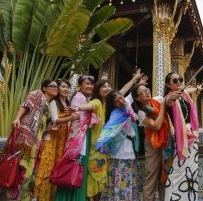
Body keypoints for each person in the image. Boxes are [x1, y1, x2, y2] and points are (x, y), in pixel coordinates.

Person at [0, 79, 59, 201]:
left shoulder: (47, 104)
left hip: (35, 144)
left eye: (57, 87)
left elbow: (40, 127)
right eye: (52, 86)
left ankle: (20, 197)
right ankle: (7, 197)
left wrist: (50, 130)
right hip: (25, 138)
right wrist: (17, 118)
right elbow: (26, 105)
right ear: (44, 88)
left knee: (28, 173)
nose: (56, 88)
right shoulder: (38, 94)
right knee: (17, 168)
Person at [77, 70, 142, 201]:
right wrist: (78, 107)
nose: (107, 88)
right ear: (98, 90)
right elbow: (90, 106)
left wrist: (134, 80)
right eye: (103, 86)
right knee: (94, 178)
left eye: (108, 86)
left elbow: (123, 91)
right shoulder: (98, 102)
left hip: (109, 149)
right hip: (97, 147)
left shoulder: (114, 103)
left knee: (102, 180)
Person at [33, 78, 80, 201]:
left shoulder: (68, 104)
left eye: (68, 87)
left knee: (56, 170)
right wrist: (70, 117)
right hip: (51, 139)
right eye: (63, 86)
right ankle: (40, 197)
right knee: (46, 168)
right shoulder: (54, 102)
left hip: (62, 140)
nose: (66, 89)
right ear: (58, 89)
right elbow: (55, 119)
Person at [55, 74, 98, 201]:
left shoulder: (85, 98)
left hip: (83, 136)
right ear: (80, 86)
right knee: (75, 170)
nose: (90, 86)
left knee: (77, 171)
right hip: (79, 140)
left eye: (91, 84)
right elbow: (77, 121)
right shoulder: (78, 98)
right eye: (87, 84)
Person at [95, 90, 139, 200]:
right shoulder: (116, 114)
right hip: (120, 151)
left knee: (128, 181)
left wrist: (137, 81)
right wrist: (101, 142)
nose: (120, 101)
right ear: (114, 105)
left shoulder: (127, 103)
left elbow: (131, 95)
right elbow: (108, 129)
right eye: (116, 101)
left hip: (129, 148)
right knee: (121, 182)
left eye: (120, 97)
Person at [163, 71, 199, 201]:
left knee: (191, 171)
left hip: (192, 136)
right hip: (181, 137)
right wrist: (173, 96)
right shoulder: (170, 98)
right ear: (168, 85)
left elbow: (188, 90)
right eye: (175, 81)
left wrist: (197, 88)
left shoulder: (184, 95)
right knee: (177, 171)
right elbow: (168, 101)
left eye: (180, 79)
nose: (179, 82)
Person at [131, 83, 170, 201]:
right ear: (137, 98)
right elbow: (157, 126)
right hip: (152, 143)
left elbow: (168, 98)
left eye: (147, 89)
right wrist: (163, 106)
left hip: (165, 141)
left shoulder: (157, 100)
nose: (147, 92)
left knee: (165, 174)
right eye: (142, 92)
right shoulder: (141, 113)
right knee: (151, 175)